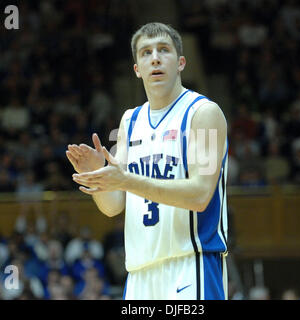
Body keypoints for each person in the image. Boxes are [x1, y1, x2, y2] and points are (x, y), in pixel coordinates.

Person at [66, 22, 228, 300]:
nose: (155, 57)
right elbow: (113, 206)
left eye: (163, 50)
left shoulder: (205, 114)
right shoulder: (129, 121)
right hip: (140, 273)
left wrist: (126, 180)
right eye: (145, 52)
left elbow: (201, 195)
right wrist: (99, 177)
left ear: (180, 63)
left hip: (191, 265)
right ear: (137, 69)